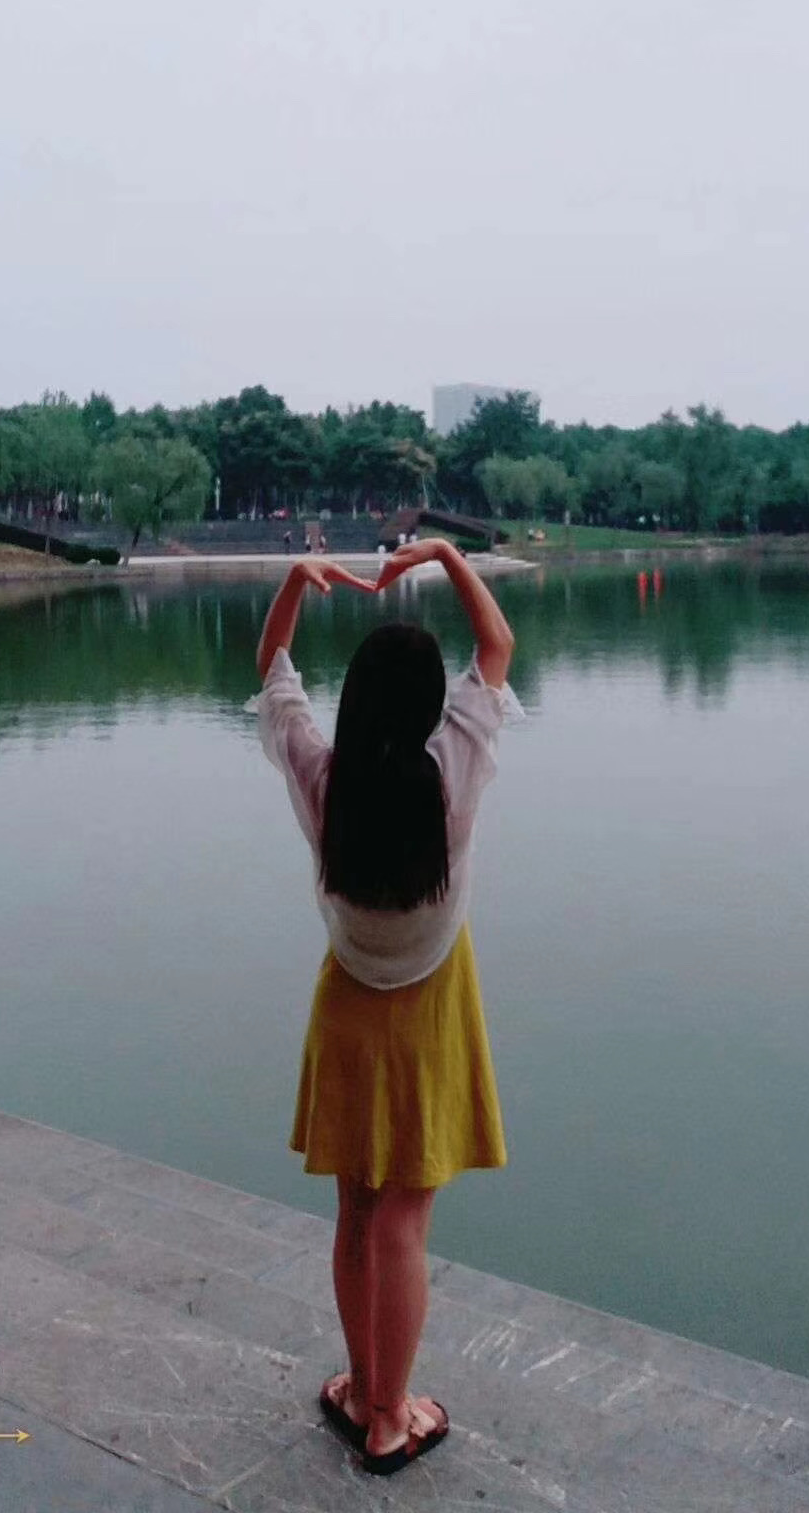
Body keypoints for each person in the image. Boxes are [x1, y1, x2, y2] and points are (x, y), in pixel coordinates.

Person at [246, 536, 521, 1474]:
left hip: (349, 1011)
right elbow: (498, 647)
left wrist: (294, 580)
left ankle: (365, 1391)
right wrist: (445, 554)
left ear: (356, 704)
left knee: (358, 1213)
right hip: (432, 1010)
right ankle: (393, 1421)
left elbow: (272, 669)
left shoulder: (324, 779)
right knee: (406, 1218)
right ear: (431, 706)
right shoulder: (454, 770)